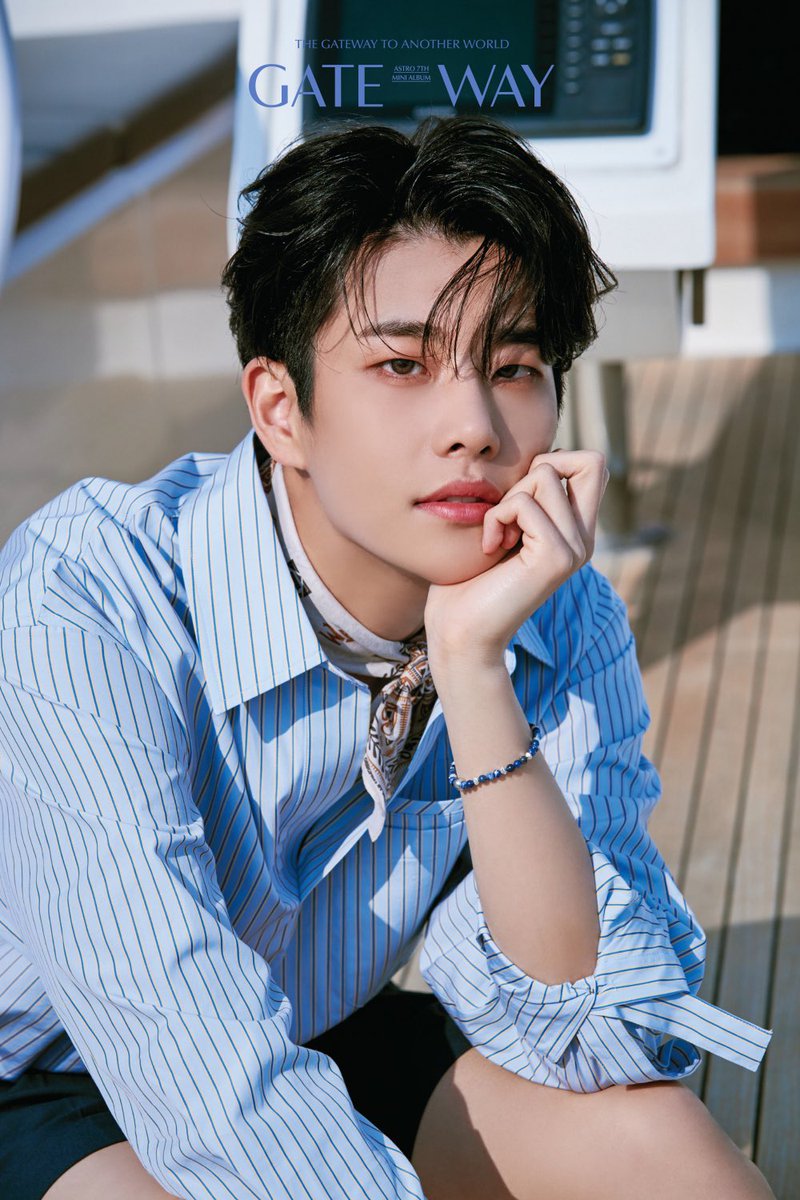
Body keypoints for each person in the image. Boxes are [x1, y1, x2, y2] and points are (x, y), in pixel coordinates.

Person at [0, 116, 774, 1200]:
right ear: (280, 409)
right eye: (402, 364)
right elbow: (188, 1057)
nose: (473, 426)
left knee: (661, 1152)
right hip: (45, 1070)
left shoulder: (556, 615)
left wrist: (474, 669)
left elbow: (601, 1037)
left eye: (513, 365)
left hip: (309, 1025)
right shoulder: (91, 597)